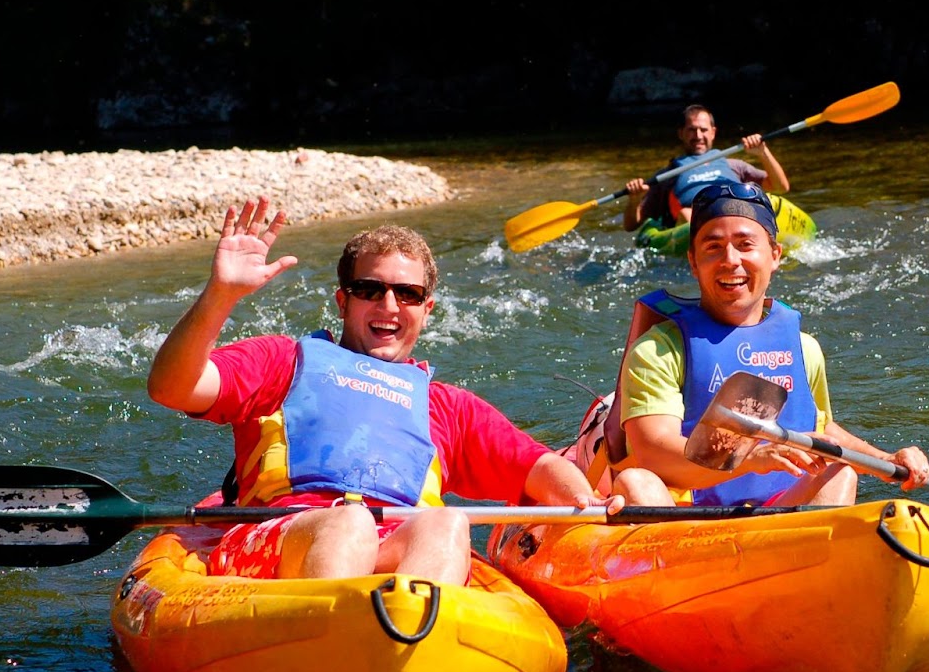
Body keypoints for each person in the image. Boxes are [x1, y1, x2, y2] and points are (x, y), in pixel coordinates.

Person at [147, 196, 621, 584]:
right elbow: (173, 387)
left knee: (444, 523)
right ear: (342, 301)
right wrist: (221, 295)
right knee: (348, 524)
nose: (389, 305)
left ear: (426, 308)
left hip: (395, 544)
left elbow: (538, 467)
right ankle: (332, 647)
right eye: (370, 289)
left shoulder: (447, 406)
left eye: (407, 294)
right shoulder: (281, 362)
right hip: (280, 539)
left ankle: (408, 646)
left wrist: (586, 500)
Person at [590, 182, 929, 507]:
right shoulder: (659, 350)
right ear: (693, 262)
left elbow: (820, 430)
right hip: (683, 517)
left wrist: (886, 460)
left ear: (775, 255)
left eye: (745, 244)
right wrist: (749, 459)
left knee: (838, 471)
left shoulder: (804, 348)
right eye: (713, 247)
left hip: (776, 512)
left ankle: (809, 556)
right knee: (638, 483)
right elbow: (655, 451)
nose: (730, 260)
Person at [621, 104, 791, 233]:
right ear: (681, 133)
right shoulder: (667, 176)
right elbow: (631, 225)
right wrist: (634, 200)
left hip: (739, 215)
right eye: (691, 130)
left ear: (713, 132)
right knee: (687, 215)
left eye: (703, 130)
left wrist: (763, 153)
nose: (698, 136)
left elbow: (780, 187)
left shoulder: (734, 165)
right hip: (693, 223)